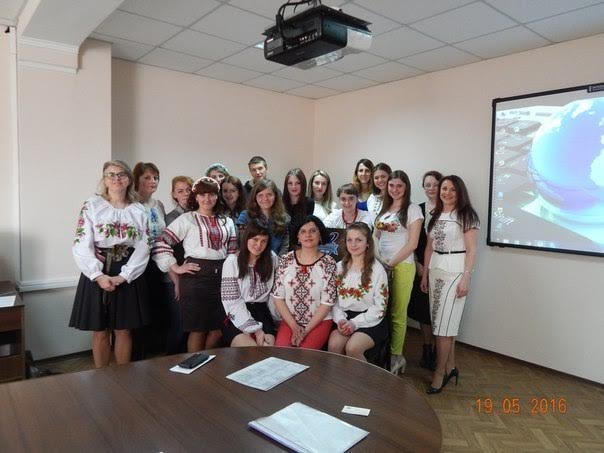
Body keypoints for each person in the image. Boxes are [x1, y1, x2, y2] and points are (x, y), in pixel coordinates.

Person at [70, 160, 150, 367]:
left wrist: (124, 275)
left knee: (124, 330)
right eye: (111, 174)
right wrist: (97, 275)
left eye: (121, 174)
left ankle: (122, 378)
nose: (116, 178)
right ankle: (101, 377)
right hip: (99, 270)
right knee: (100, 331)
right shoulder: (92, 205)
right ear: (104, 180)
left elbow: (144, 245)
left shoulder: (139, 210)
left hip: (127, 271)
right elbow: (81, 242)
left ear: (129, 180)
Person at [153, 176, 238, 352]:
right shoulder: (187, 219)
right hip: (196, 279)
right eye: (202, 194)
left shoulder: (227, 221)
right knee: (198, 330)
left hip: (222, 278)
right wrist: (176, 267)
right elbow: (161, 242)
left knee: (219, 329)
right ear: (196, 197)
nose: (207, 198)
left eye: (211, 194)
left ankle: (205, 359)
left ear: (217, 196)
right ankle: (196, 364)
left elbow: (232, 252)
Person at [420, 175, 479, 394]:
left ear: (459, 192)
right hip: (436, 270)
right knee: (443, 323)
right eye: (444, 188)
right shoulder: (434, 214)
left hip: (455, 272)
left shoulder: (467, 215)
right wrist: (425, 274)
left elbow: (471, 250)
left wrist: (466, 278)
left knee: (443, 328)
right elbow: (429, 247)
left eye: (452, 189)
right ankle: (450, 367)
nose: (447, 193)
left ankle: (440, 372)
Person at [374, 170, 423, 375]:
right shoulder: (384, 209)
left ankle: (396, 356)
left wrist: (391, 264)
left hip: (402, 266)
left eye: (399, 186)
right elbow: (375, 236)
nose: (394, 189)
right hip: (381, 265)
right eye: (391, 185)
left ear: (406, 187)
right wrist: (379, 260)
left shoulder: (413, 209)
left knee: (397, 313)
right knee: (381, 310)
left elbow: (412, 244)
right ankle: (382, 354)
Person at [272, 215, 336, 349]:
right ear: (298, 237)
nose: (308, 235)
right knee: (281, 354)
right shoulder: (285, 260)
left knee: (304, 355)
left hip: (319, 322)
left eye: (313, 231)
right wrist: (295, 327)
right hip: (290, 321)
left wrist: (305, 331)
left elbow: (327, 302)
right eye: (303, 231)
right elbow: (278, 297)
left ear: (320, 235)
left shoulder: (329, 263)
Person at [328, 223, 389, 361]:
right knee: (334, 344)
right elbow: (333, 300)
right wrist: (341, 319)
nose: (353, 244)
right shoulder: (338, 268)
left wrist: (355, 323)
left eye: (359, 240)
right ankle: (337, 375)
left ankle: (361, 376)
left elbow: (380, 308)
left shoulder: (377, 270)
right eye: (349, 240)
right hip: (344, 317)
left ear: (367, 243)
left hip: (371, 320)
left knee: (353, 347)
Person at [220, 221, 278, 347]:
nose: (259, 245)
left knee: (267, 348)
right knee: (251, 349)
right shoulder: (232, 262)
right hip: (237, 313)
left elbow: (275, 293)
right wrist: (255, 329)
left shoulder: (272, 258)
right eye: (255, 239)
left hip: (262, 312)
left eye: (263, 241)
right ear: (246, 238)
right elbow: (231, 300)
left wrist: (277, 319)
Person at [408, 171, 442, 370]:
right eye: (427, 185)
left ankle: (439, 350)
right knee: (424, 312)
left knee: (439, 311)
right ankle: (427, 348)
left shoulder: (448, 209)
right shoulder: (417, 210)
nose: (431, 188)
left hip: (443, 266)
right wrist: (417, 264)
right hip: (421, 267)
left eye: (435, 184)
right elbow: (410, 241)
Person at [133, 162, 167, 357]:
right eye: (147, 177)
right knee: (139, 310)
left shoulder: (158, 204)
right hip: (137, 263)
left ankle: (154, 353)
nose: (153, 181)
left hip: (157, 262)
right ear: (136, 179)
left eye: (155, 178)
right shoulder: (130, 204)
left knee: (156, 308)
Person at [164, 175, 194, 354]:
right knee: (178, 323)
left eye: (188, 190)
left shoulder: (199, 214)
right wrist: (176, 281)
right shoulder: (171, 218)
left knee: (192, 324)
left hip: (193, 276)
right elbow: (165, 252)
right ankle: (171, 360)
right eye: (180, 191)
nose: (185, 194)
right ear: (174, 194)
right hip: (175, 277)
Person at [237, 179, 290, 256]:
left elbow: (284, 246)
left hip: (276, 261)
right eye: (260, 195)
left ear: (275, 196)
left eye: (269, 194)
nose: (265, 198)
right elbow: (242, 243)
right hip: (251, 260)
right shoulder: (245, 217)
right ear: (255, 197)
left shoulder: (284, 218)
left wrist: (278, 261)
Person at [283, 168, 314, 250]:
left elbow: (306, 228)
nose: (293, 187)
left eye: (297, 183)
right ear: (286, 185)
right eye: (290, 183)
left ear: (303, 184)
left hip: (300, 247)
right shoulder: (280, 202)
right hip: (281, 247)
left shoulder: (309, 203)